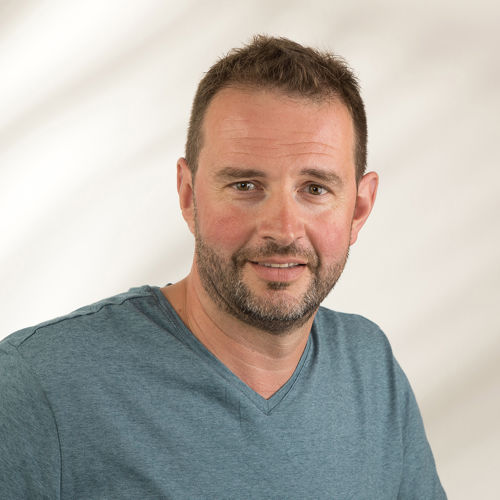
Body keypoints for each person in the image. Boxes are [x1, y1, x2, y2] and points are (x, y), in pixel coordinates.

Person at [0, 35, 446, 499]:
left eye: (315, 189)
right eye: (245, 185)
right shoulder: (38, 385)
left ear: (359, 208)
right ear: (188, 195)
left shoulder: (369, 368)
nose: (283, 230)